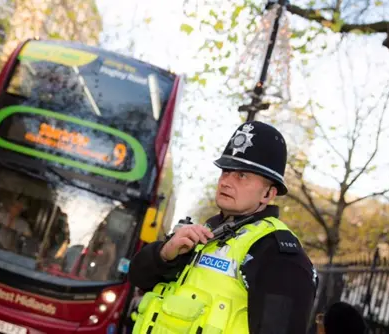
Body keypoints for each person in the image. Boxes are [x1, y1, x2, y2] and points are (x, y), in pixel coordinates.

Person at [128, 121, 318, 334]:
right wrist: (164, 254)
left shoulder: (278, 253)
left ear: (268, 194)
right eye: (226, 171)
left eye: (242, 175)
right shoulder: (206, 232)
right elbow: (138, 278)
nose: (226, 181)